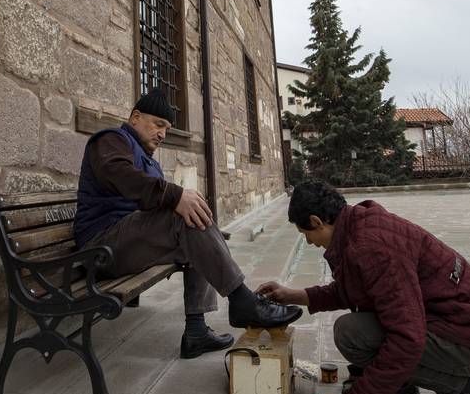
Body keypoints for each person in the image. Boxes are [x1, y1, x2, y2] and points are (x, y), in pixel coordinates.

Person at [258, 180, 470, 394]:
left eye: (306, 233)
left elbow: (407, 337)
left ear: (317, 221)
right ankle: (400, 389)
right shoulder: (357, 226)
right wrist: (292, 295)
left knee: (352, 334)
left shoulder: (371, 246)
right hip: (452, 324)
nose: (309, 242)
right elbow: (352, 290)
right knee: (355, 331)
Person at [73, 89, 301, 358]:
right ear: (135, 117)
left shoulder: (149, 161)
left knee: (194, 222)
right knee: (186, 217)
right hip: (100, 247)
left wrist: (190, 210)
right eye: (158, 124)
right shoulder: (111, 140)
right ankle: (242, 301)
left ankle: (196, 331)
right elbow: (119, 175)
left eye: (167, 128)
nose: (162, 134)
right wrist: (175, 196)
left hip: (126, 244)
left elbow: (156, 206)